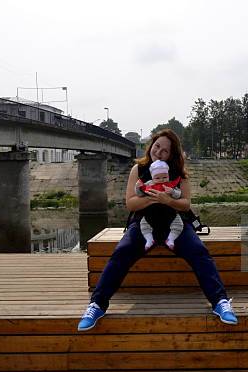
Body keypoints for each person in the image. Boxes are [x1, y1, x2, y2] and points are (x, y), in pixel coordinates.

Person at [78, 129, 237, 331]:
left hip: (175, 224)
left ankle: (220, 302)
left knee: (199, 252)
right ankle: (96, 305)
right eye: (157, 146)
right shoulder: (138, 170)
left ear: (171, 155)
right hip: (144, 224)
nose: (159, 152)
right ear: (151, 145)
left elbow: (186, 204)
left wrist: (168, 200)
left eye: (165, 151)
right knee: (122, 252)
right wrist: (151, 199)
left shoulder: (179, 173)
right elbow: (131, 204)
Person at [135, 159, 183, 251]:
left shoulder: (170, 185)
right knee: (144, 225)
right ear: (152, 178)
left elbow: (178, 194)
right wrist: (138, 188)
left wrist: (172, 192)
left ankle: (171, 239)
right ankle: (149, 239)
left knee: (178, 225)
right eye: (157, 178)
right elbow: (140, 194)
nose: (161, 180)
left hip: (170, 212)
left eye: (164, 177)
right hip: (151, 213)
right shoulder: (148, 184)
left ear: (168, 175)